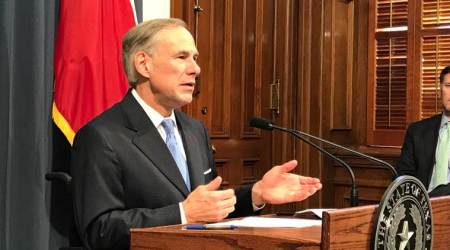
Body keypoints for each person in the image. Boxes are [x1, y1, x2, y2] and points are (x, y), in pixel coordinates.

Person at [71, 18, 322, 250]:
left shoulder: (194, 129)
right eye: (182, 57)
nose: (196, 69)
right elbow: (99, 231)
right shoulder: (101, 136)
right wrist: (182, 214)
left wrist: (256, 193)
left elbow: (208, 206)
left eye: (195, 57)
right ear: (143, 64)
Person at [397, 66, 450, 197]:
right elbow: (404, 178)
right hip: (420, 210)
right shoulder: (417, 131)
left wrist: (432, 198)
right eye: (448, 85)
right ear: (440, 90)